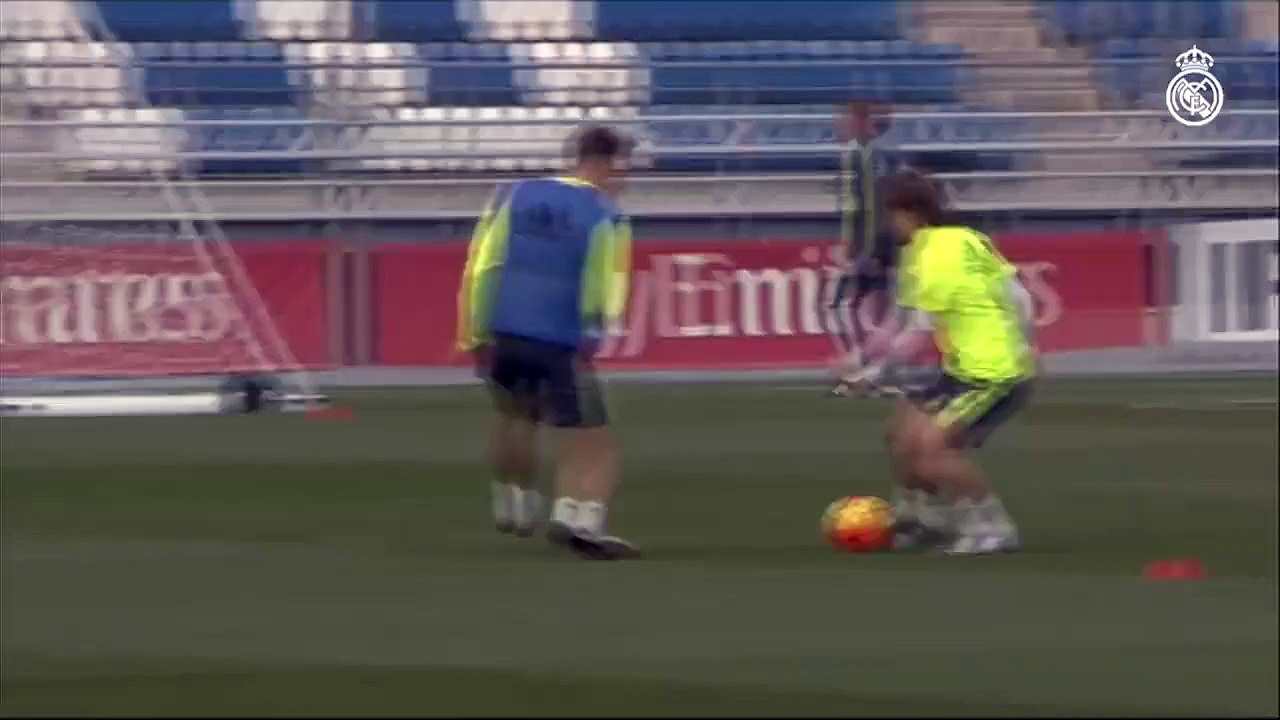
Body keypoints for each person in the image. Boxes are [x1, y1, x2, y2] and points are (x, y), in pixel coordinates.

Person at [456, 125, 638, 560]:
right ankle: (581, 520)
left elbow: (482, 262)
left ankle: (512, 499)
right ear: (604, 163)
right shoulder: (605, 215)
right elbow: (604, 283)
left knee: (514, 416)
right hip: (559, 336)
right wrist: (593, 333)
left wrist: (475, 329)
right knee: (593, 439)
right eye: (623, 169)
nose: (625, 179)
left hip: (503, 329)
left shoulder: (513, 194)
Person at [840, 171, 1036, 556]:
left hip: (989, 372)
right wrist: (863, 359)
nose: (888, 224)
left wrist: (872, 374)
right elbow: (1019, 296)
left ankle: (992, 527)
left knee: (933, 451)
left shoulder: (935, 257)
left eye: (891, 215)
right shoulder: (961, 241)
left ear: (910, 213)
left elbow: (916, 335)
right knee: (900, 433)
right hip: (965, 365)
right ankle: (920, 520)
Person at [827, 101, 901, 395]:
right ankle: (874, 375)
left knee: (839, 305)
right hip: (882, 244)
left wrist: (864, 249)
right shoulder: (868, 154)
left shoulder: (868, 155)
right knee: (883, 310)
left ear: (861, 121)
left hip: (874, 246)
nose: (840, 124)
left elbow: (870, 207)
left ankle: (860, 371)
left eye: (846, 119)